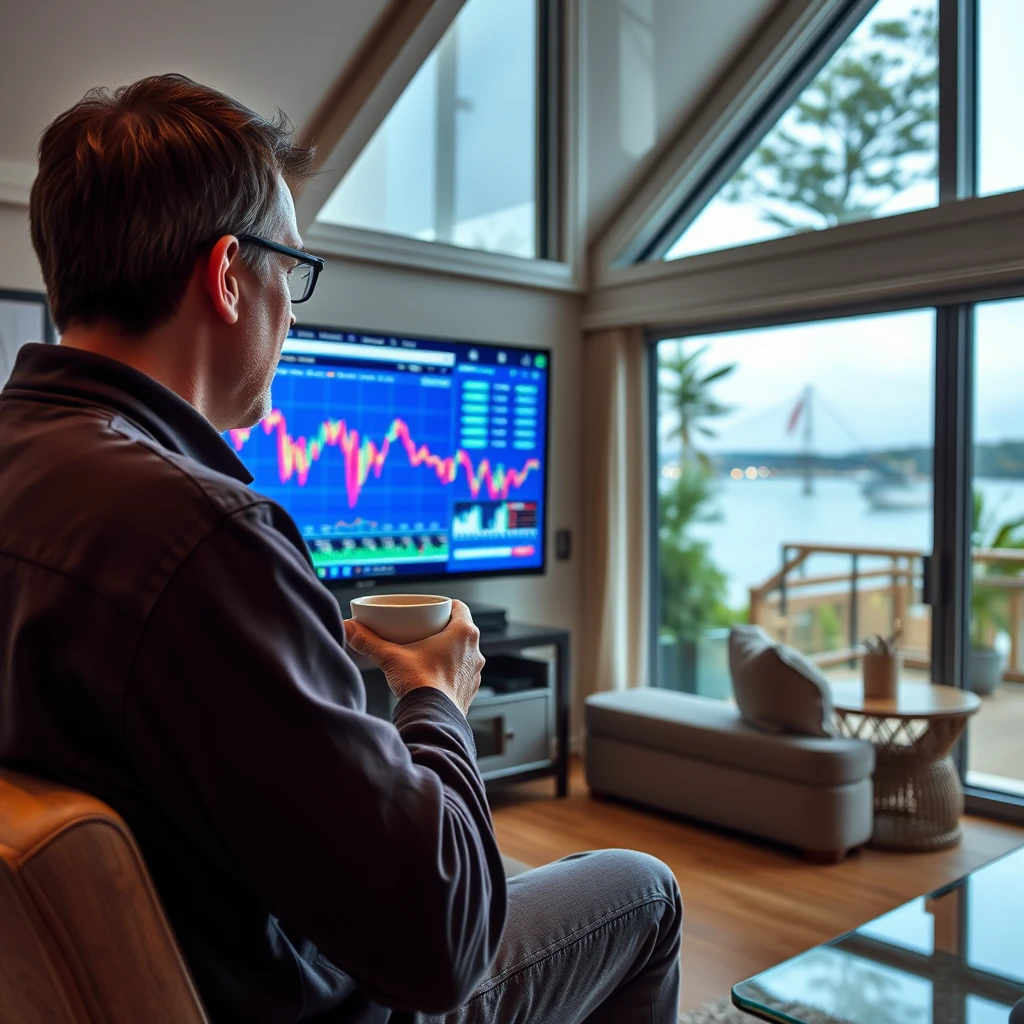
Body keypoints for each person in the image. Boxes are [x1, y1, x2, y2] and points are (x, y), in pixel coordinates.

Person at [0, 74, 682, 1022]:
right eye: (294, 269)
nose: (296, 311)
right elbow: (445, 940)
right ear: (230, 274)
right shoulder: (201, 537)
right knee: (643, 890)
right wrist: (433, 696)